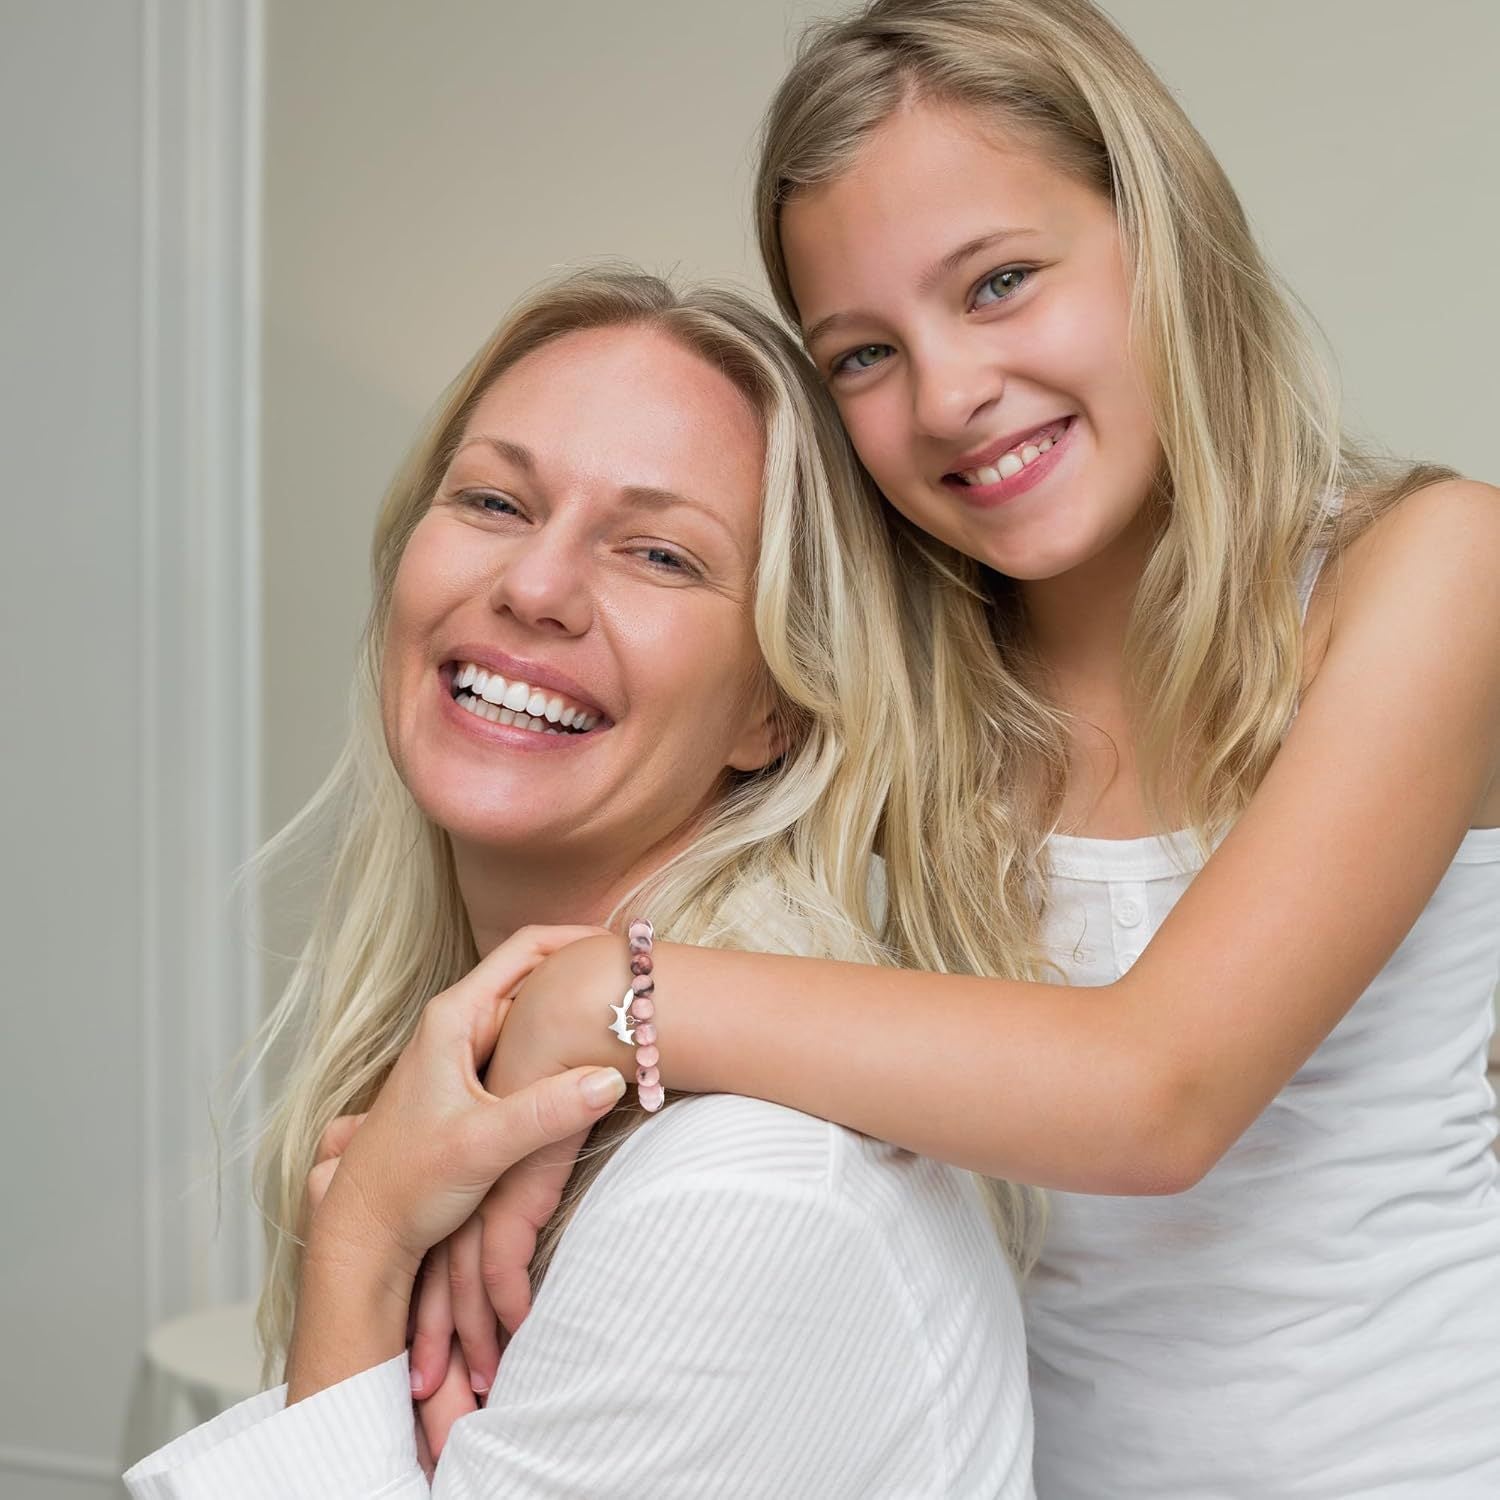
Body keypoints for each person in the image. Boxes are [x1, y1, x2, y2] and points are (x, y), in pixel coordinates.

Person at [437, 3, 1500, 1495]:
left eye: (1000, 283)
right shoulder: (908, 689)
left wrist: (618, 999)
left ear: (1162, 236)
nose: (947, 396)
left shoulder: (1432, 570)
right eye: (864, 354)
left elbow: (1157, 1094)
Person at [122, 268, 1036, 1498]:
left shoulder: (741, 1203)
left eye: (659, 553)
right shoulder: (470, 1102)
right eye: (496, 500)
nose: (535, 588)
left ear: (772, 707)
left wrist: (354, 1263)